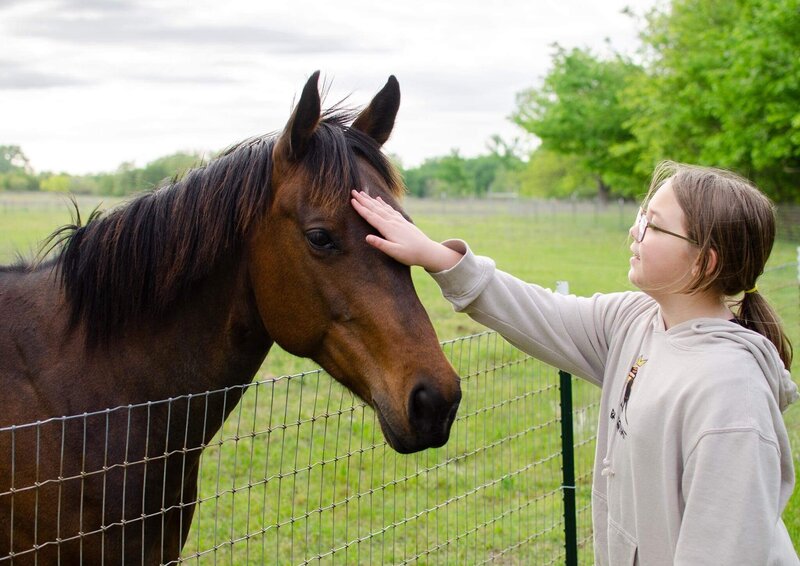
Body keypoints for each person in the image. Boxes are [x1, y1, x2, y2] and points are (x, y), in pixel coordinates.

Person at [351, 161, 799, 565]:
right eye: (642, 217)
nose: (634, 232)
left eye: (655, 227)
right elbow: (537, 312)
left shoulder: (730, 398)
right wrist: (430, 252)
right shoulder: (636, 321)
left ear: (705, 261)